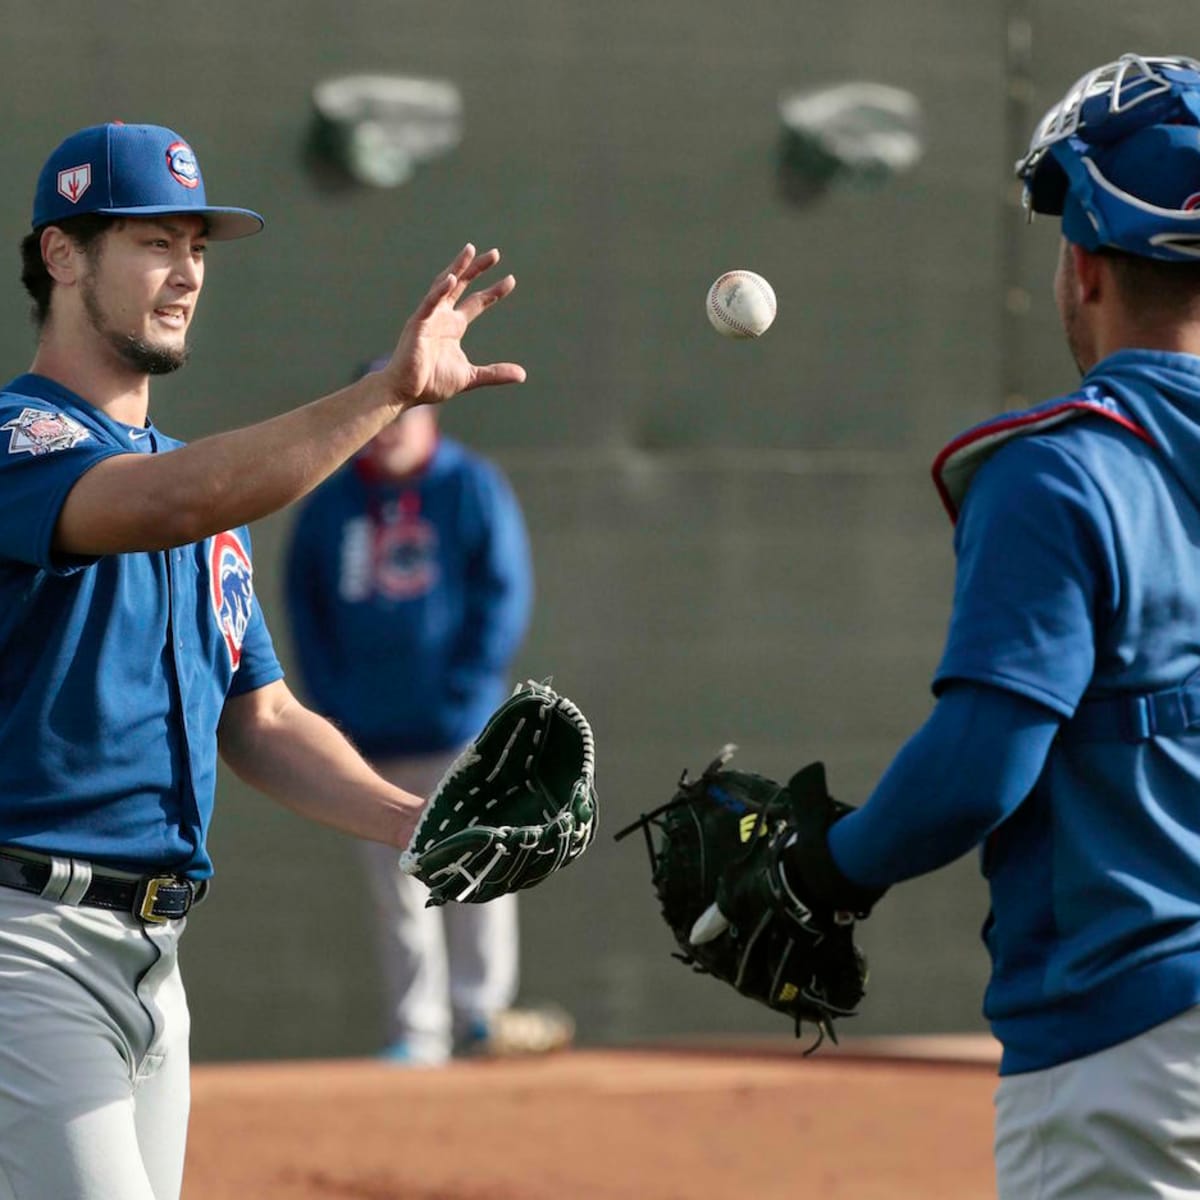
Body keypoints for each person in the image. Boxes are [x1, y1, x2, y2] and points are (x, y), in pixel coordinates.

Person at [0, 120, 524, 1200]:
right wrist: (387, 392)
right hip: (24, 946)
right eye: (154, 240)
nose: (187, 271)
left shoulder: (201, 497)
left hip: (154, 959)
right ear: (60, 255)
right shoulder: (21, 441)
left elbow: (266, 723)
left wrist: (416, 824)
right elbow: (172, 501)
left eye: (199, 245)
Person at [753, 54, 1200, 1198]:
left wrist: (827, 874)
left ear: (1087, 263)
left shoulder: (1066, 475)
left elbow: (977, 767)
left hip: (1136, 1041)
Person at [284, 370, 573, 1064]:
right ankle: (418, 1032)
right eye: (376, 421)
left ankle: (482, 1016)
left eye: (401, 418)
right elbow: (305, 608)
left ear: (429, 418)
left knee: (480, 866)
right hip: (366, 735)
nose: (388, 435)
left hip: (459, 732)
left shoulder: (470, 486)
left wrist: (467, 696)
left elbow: (502, 597)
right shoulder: (329, 504)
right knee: (397, 888)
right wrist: (335, 708)